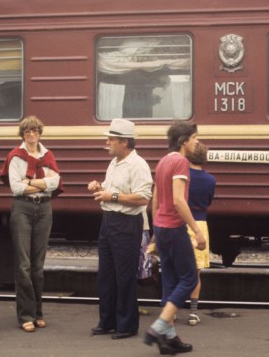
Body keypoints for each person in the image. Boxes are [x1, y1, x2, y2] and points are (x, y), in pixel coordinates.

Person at [144, 121, 206, 355]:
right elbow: (179, 201)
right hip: (174, 228)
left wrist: (155, 231)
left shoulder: (163, 161)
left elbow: (156, 199)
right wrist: (196, 230)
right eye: (194, 138)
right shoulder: (180, 161)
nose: (196, 142)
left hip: (161, 227)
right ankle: (159, 327)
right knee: (189, 279)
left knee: (170, 282)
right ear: (183, 141)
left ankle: (169, 339)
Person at [87, 118, 153, 339]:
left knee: (124, 276)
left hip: (126, 224)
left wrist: (111, 196)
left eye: (111, 139)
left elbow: (143, 198)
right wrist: (100, 187)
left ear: (125, 142)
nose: (107, 142)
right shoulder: (114, 162)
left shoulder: (138, 165)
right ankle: (107, 321)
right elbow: (113, 189)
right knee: (106, 274)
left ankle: (126, 325)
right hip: (108, 222)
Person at [0, 115, 63, 333]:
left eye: (35, 131)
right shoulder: (15, 157)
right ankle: (25, 315)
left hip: (45, 210)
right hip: (23, 209)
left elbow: (55, 183)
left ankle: (38, 313)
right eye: (27, 131)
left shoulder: (48, 155)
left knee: (38, 266)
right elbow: (16, 188)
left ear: (40, 133)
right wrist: (43, 185)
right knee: (23, 265)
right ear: (23, 134)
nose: (32, 134)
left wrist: (30, 182)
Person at [185, 142, 215, 327]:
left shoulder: (182, 177)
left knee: (174, 270)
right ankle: (193, 313)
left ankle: (170, 312)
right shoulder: (210, 180)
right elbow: (208, 202)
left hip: (181, 222)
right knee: (196, 272)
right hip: (200, 225)